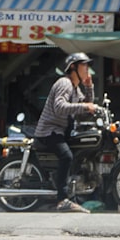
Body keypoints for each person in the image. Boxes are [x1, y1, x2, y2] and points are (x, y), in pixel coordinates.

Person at [34, 52, 97, 213]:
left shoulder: (75, 89)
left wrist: (89, 87)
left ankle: (72, 193)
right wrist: (84, 107)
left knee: (77, 153)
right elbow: (60, 107)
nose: (87, 69)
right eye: (84, 65)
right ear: (73, 67)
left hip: (59, 132)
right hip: (49, 132)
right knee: (66, 156)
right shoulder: (65, 83)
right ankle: (62, 199)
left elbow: (84, 110)